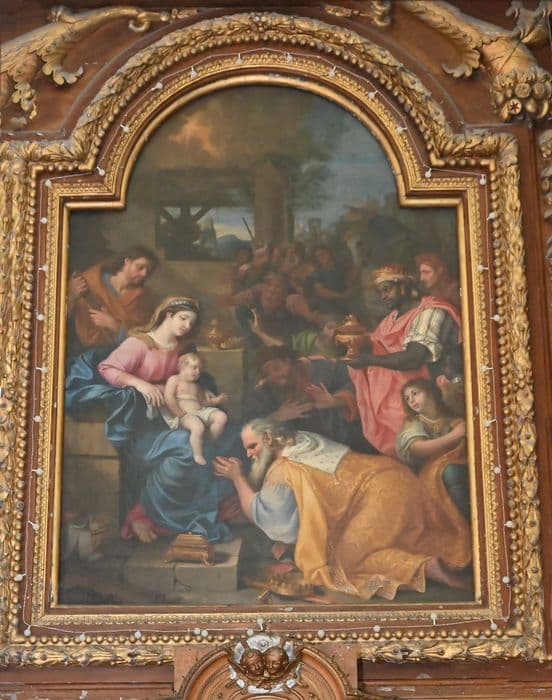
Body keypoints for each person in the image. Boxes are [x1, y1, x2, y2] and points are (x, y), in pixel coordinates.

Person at [214, 419, 472, 601]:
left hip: (378, 498)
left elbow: (267, 518)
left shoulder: (283, 469)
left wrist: (238, 478)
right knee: (394, 539)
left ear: (269, 439)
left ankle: (425, 567)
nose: (249, 454)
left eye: (252, 447)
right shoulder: (305, 440)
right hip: (396, 477)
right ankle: (432, 560)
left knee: (346, 564)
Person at [66, 296, 239, 544]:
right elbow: (107, 368)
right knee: (186, 447)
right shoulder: (139, 344)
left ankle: (168, 515)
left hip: (171, 416)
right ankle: (146, 514)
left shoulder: (180, 349)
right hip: (143, 424)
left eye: (191, 323)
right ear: (168, 314)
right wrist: (140, 384)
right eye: (183, 318)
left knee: (218, 439)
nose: (187, 326)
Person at [348, 264, 462, 456]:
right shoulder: (392, 318)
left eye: (387, 290)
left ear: (403, 286)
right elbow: (378, 343)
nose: (383, 297)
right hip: (403, 387)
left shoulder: (430, 311)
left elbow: (413, 359)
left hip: (432, 387)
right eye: (380, 292)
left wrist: (368, 359)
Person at [243, 345, 367, 451]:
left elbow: (359, 384)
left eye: (277, 367)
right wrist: (278, 416)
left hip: (345, 443)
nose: (276, 375)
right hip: (299, 451)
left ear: (288, 361)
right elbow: (249, 427)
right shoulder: (263, 392)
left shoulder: (321, 368)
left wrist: (334, 401)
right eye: (268, 373)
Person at [397, 378, 469, 520]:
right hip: (434, 471)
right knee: (451, 472)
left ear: (429, 392)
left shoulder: (448, 414)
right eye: (407, 398)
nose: (411, 400)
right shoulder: (413, 422)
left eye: (415, 393)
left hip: (461, 458)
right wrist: (454, 436)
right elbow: (417, 449)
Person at [68, 245, 159, 349]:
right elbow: (59, 315)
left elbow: (143, 338)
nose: (144, 274)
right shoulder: (89, 280)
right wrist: (72, 296)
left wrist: (114, 326)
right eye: (140, 267)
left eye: (148, 271)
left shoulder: (143, 299)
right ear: (127, 261)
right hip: (77, 348)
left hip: (116, 353)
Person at [163, 351, 229, 465]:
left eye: (199, 369)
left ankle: (209, 442)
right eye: (194, 368)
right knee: (198, 427)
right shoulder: (174, 380)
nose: (198, 372)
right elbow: (168, 398)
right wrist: (179, 413)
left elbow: (203, 402)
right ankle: (198, 454)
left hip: (200, 411)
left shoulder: (196, 386)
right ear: (182, 366)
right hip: (185, 415)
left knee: (221, 417)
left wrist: (217, 400)